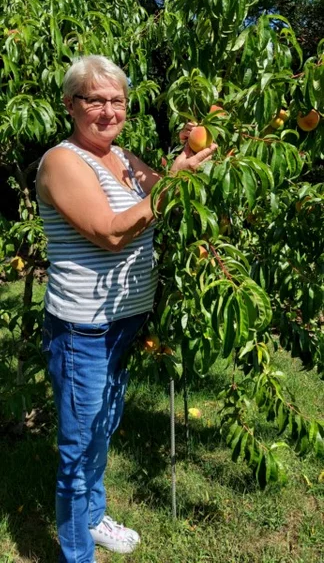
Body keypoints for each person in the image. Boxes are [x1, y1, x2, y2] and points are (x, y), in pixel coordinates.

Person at [36, 55, 216, 563]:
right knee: (77, 448)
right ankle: (77, 554)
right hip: (82, 329)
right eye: (95, 99)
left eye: (117, 101)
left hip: (122, 321)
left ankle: (93, 519)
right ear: (72, 105)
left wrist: (197, 147)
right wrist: (174, 182)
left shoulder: (124, 158)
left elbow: (173, 196)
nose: (108, 110)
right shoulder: (62, 161)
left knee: (102, 428)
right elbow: (111, 232)